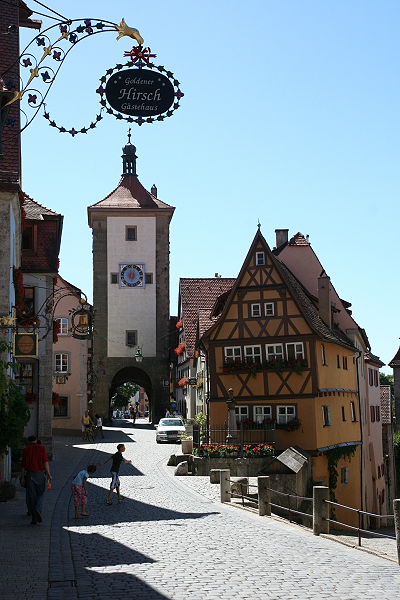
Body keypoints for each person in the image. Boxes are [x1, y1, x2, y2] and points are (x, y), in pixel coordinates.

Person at [21, 436, 52, 525]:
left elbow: (23, 466)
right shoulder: (42, 448)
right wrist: (49, 474)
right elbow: (45, 462)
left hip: (30, 475)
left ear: (29, 441)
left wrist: (22, 477)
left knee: (31, 496)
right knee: (40, 493)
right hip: (40, 474)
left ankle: (33, 516)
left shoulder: (26, 450)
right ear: (36, 440)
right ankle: (38, 509)